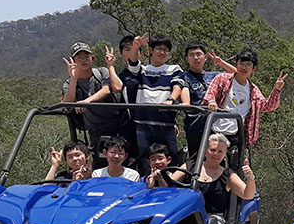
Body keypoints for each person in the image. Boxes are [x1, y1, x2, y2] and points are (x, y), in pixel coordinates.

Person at [124, 34, 187, 171]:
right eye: (159, 49)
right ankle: (149, 186)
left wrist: (170, 100)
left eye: (166, 50)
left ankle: (169, 187)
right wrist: (136, 47)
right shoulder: (143, 70)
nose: (163, 52)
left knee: (170, 160)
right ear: (151, 50)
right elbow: (133, 64)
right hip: (143, 123)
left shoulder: (174, 69)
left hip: (166, 123)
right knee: (146, 160)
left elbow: (178, 86)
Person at [203, 48, 287, 148]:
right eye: (241, 64)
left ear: (253, 69)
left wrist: (276, 90)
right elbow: (210, 94)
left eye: (248, 65)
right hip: (215, 130)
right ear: (236, 64)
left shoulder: (253, 90)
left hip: (237, 135)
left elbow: (268, 106)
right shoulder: (222, 78)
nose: (244, 68)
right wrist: (212, 102)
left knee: (234, 162)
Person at [61, 42, 124, 155]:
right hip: (95, 129)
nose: (83, 60)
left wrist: (86, 102)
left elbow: (107, 90)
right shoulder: (69, 83)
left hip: (117, 124)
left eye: (86, 57)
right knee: (100, 161)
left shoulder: (101, 72)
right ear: (74, 61)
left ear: (93, 58)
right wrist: (74, 79)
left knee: (120, 156)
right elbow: (68, 103)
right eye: (79, 58)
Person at [180, 42, 236, 158]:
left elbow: (236, 74)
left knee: (216, 156)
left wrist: (221, 63)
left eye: (199, 54)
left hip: (215, 124)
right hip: (195, 124)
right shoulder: (183, 76)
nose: (196, 58)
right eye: (191, 55)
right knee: (196, 157)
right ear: (187, 59)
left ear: (205, 57)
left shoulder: (215, 76)